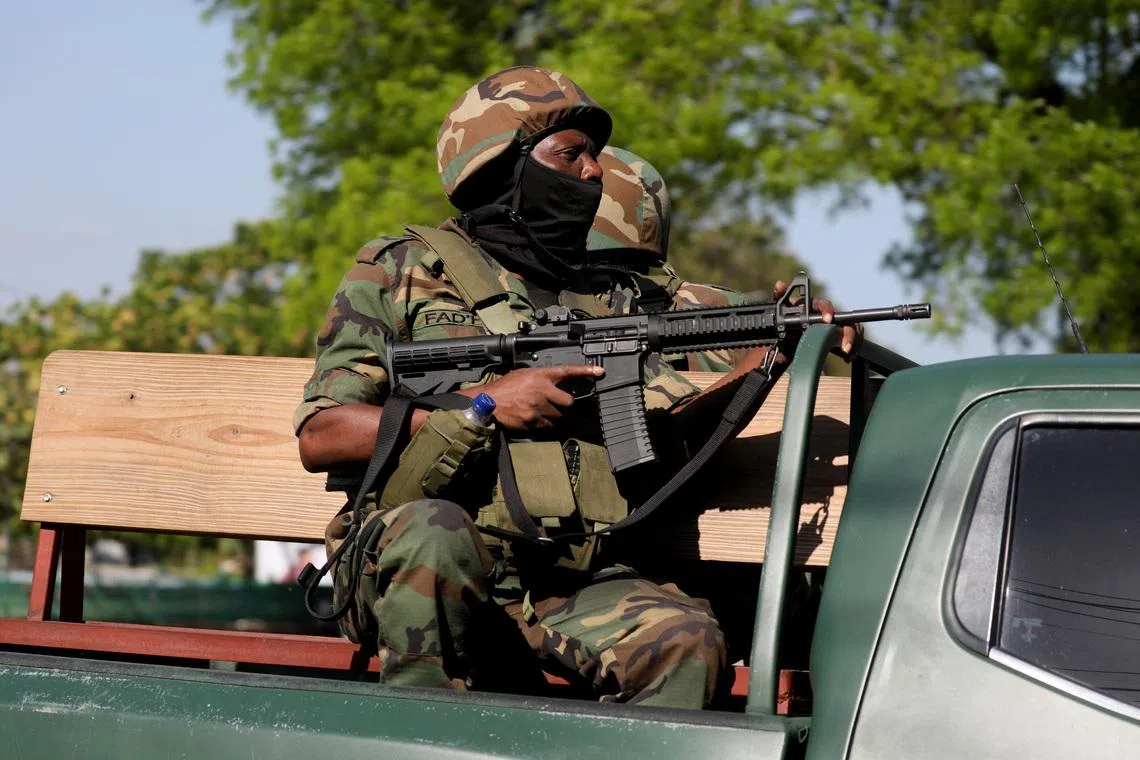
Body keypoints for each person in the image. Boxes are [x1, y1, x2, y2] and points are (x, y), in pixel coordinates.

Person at [294, 66, 857, 709]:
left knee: (686, 640)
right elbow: (322, 434)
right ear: (504, 167)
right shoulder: (400, 269)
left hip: (572, 578)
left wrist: (768, 352)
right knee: (435, 533)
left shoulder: (612, 296)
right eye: (571, 154)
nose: (593, 172)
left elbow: (672, 434)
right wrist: (484, 406)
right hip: (423, 565)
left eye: (594, 156)